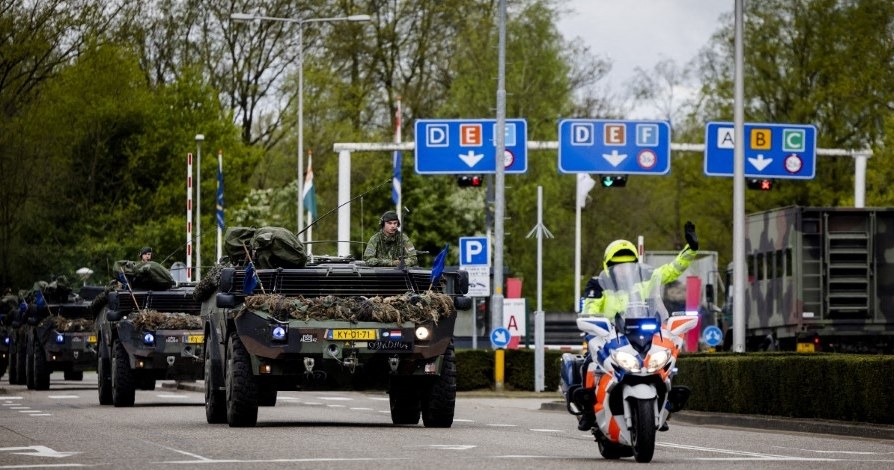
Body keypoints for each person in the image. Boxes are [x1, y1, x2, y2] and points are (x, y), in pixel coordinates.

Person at [574, 221, 699, 431]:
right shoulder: (598, 283)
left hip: (639, 333)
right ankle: (588, 412)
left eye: (628, 264)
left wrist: (691, 249)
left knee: (664, 362)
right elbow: (589, 307)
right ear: (608, 265)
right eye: (618, 265)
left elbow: (672, 270)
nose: (623, 269)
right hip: (607, 334)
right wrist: (593, 320)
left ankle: (662, 408)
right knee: (589, 364)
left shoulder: (647, 278)